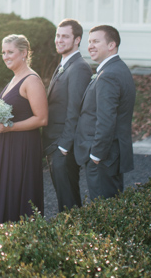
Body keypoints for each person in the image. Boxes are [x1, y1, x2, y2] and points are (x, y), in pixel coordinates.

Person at [0, 34, 49, 225]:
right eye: (3, 52)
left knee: (17, 191)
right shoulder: (14, 79)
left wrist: (10, 127)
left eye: (10, 52)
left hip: (22, 148)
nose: (6, 56)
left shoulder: (31, 80)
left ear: (24, 53)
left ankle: (20, 241)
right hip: (6, 145)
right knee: (4, 189)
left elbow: (42, 118)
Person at [76, 25, 136, 201]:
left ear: (111, 45)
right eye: (89, 42)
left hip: (104, 157)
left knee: (103, 207)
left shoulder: (109, 74)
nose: (90, 46)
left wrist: (96, 155)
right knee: (111, 206)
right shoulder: (117, 68)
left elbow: (106, 120)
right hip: (111, 155)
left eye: (96, 41)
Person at [43, 19, 91, 212]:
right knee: (64, 198)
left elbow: (75, 110)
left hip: (63, 147)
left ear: (77, 40)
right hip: (54, 144)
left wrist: (64, 146)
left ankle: (74, 237)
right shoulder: (65, 64)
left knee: (69, 201)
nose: (59, 40)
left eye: (65, 36)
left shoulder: (79, 67)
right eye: (58, 35)